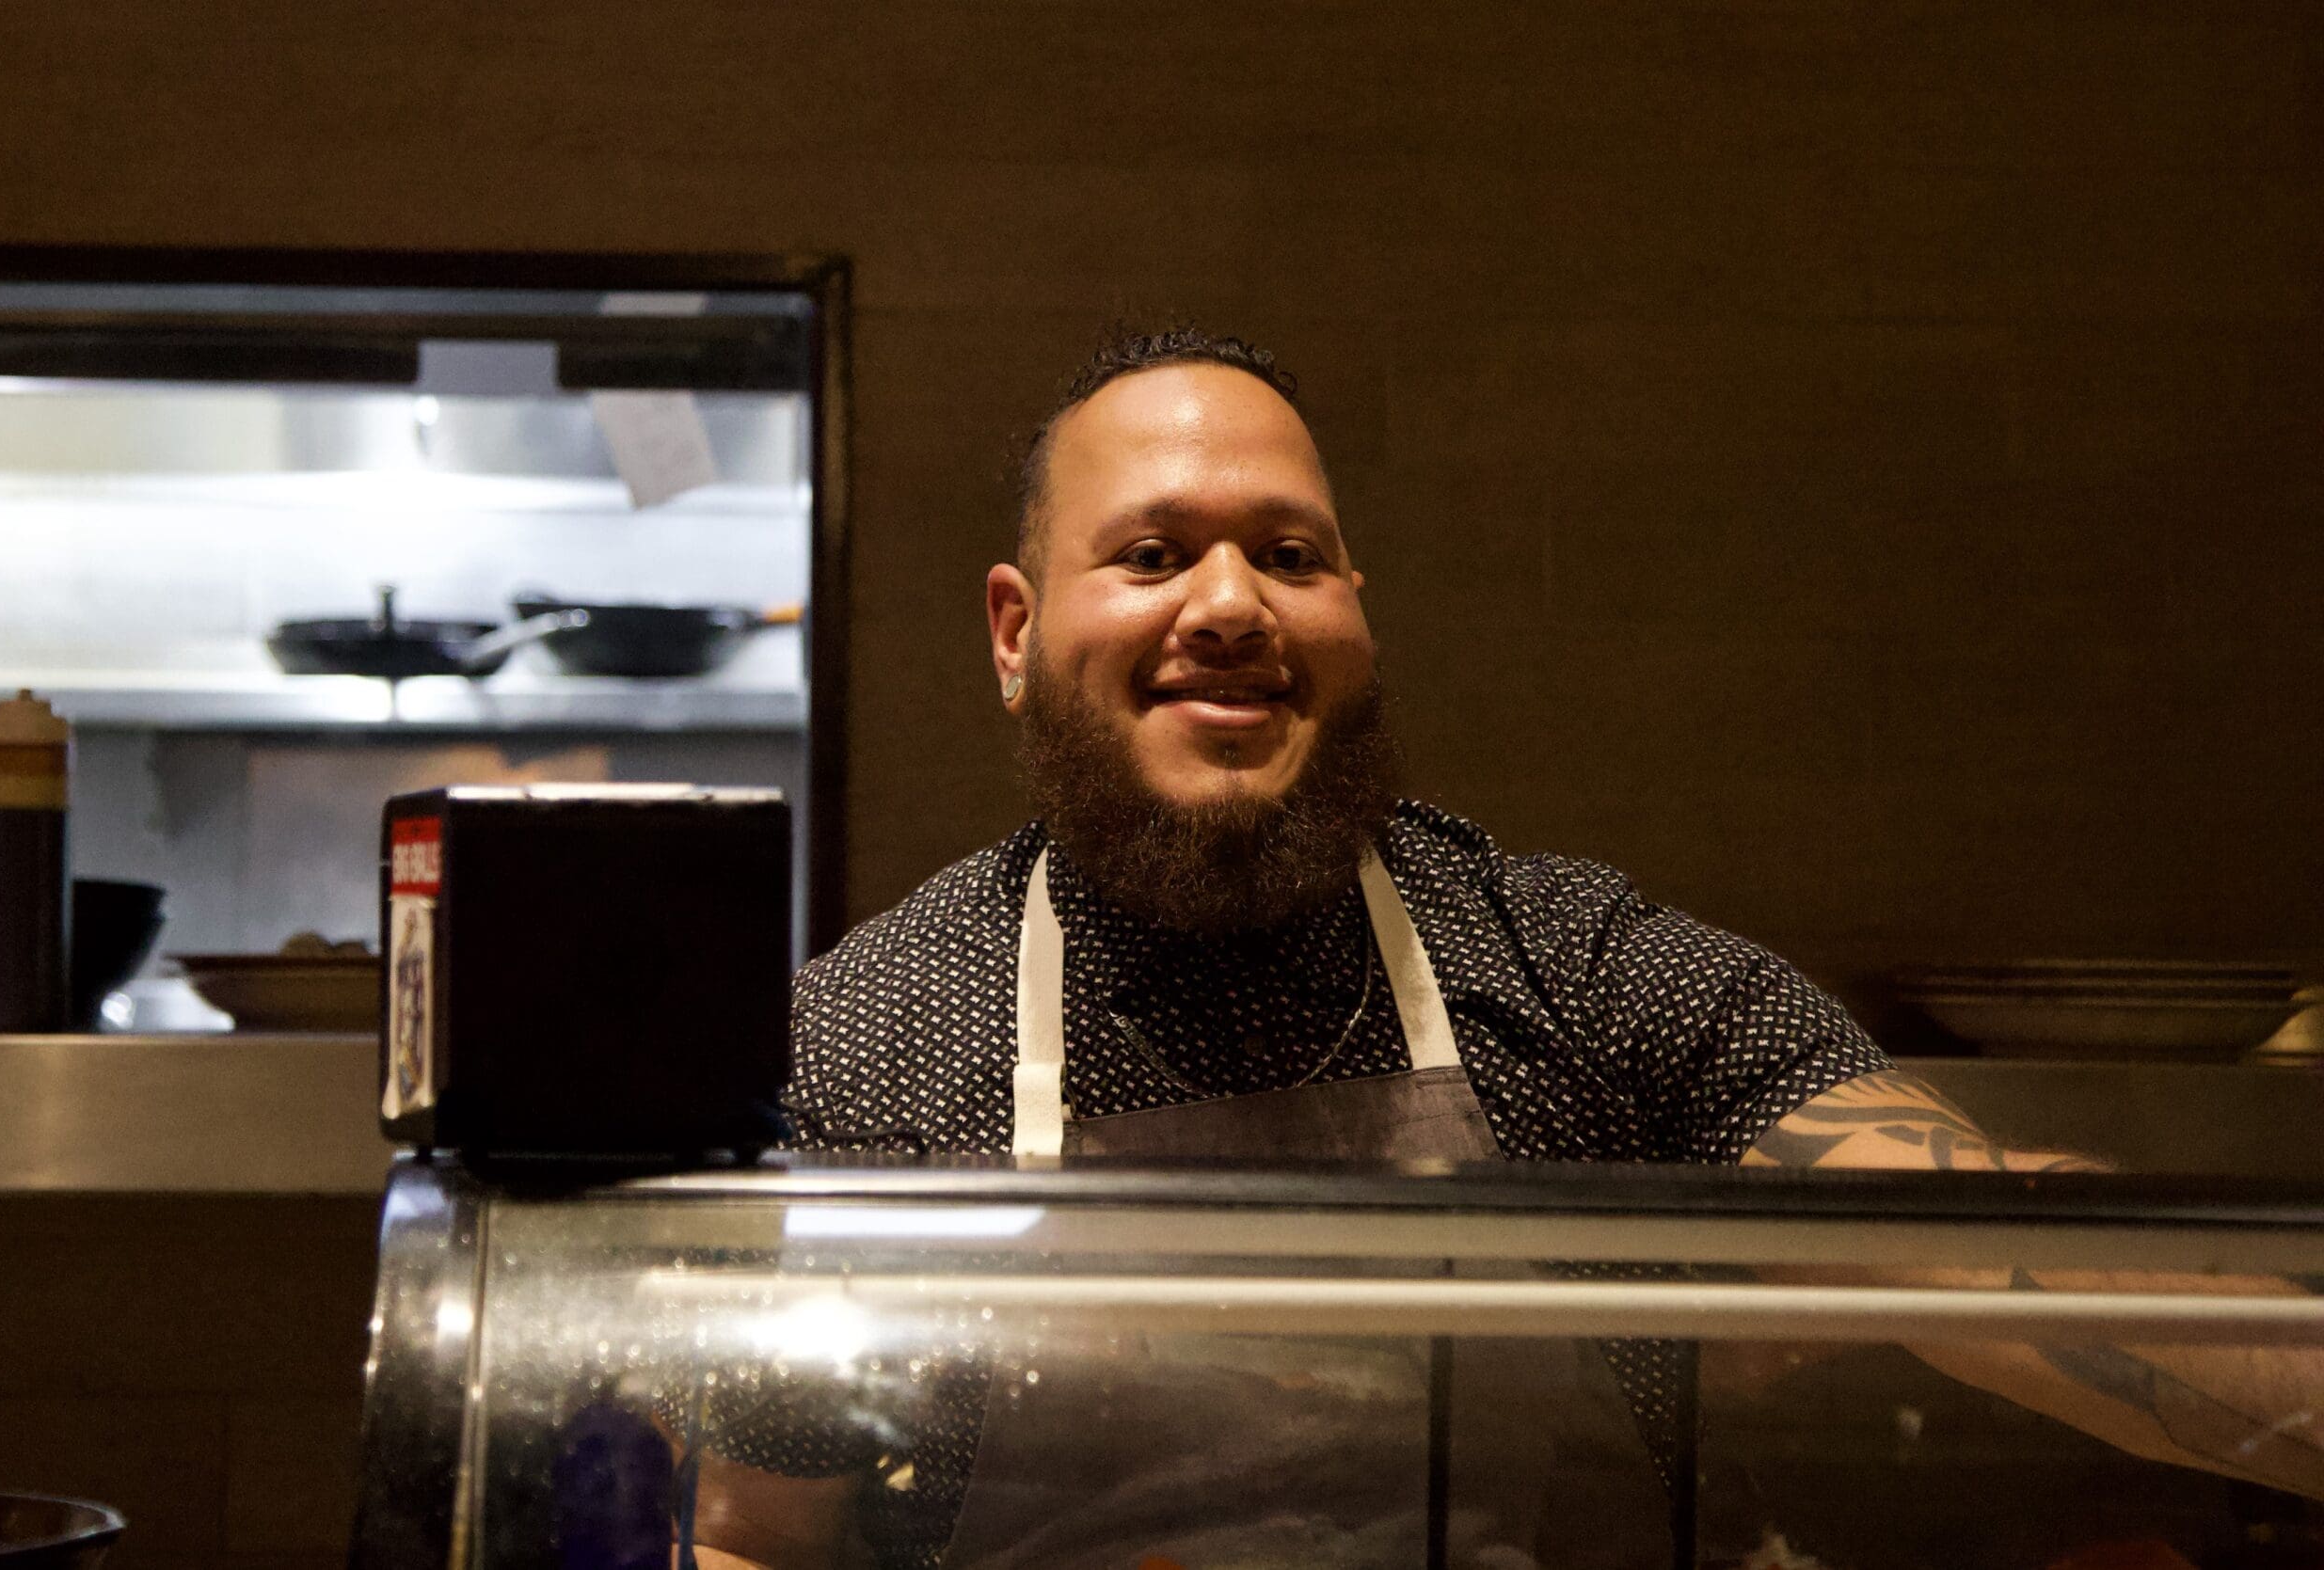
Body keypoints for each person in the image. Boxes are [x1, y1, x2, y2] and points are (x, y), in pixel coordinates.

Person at [683, 329, 2323, 1568]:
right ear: (1015, 629)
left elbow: (1985, 1249)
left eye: (1292, 553)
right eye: (1154, 553)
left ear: (1358, 615)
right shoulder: (871, 1036)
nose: (1234, 602)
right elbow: (754, 1533)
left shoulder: (1578, 969)